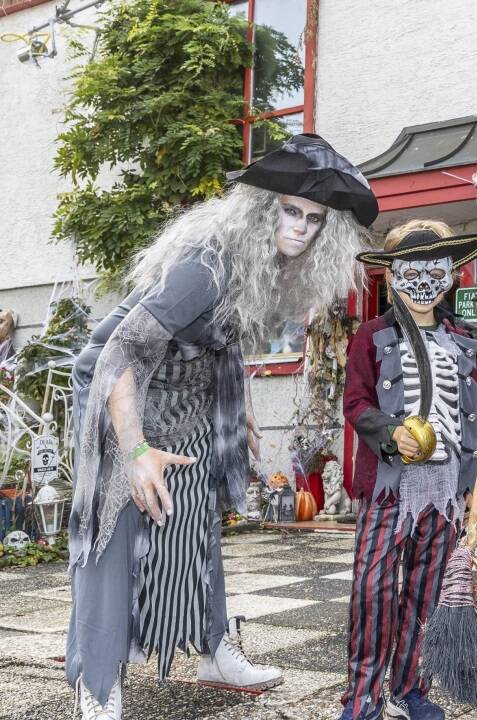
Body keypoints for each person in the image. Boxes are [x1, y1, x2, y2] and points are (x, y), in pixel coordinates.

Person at [67, 134, 378, 720]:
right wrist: (135, 452)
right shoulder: (207, 266)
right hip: (118, 394)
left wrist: (240, 412)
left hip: (185, 398)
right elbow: (118, 356)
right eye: (292, 212)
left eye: (315, 219)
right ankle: (97, 679)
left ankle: (212, 649)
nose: (303, 228)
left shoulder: (267, 271)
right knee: (112, 533)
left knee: (196, 523)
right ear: (264, 209)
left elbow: (216, 342)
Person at [341, 220, 477, 720]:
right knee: (373, 587)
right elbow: (356, 402)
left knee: (426, 593)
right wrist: (389, 431)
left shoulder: (464, 338)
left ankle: (410, 686)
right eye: (411, 270)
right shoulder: (371, 335)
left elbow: (476, 415)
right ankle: (362, 695)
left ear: (449, 276)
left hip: (446, 491)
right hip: (390, 489)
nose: (423, 280)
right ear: (392, 276)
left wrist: (470, 488)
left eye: (434, 269)